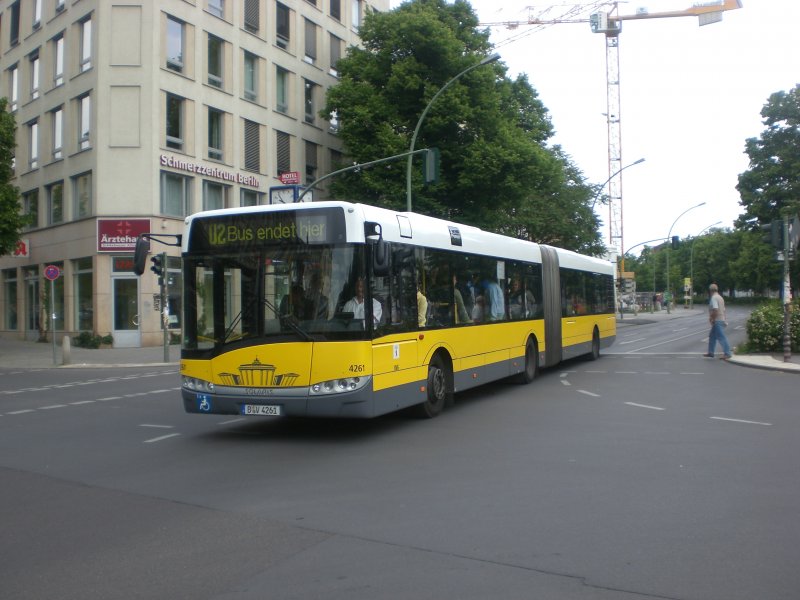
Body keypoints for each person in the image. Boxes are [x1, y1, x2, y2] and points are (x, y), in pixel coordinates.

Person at [704, 283, 731, 359]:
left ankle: (727, 353)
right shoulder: (720, 298)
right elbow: (724, 310)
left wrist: (712, 318)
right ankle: (711, 352)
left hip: (717, 320)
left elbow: (715, 309)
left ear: (710, 291)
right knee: (712, 336)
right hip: (721, 319)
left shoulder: (714, 298)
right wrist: (724, 319)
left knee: (721, 337)